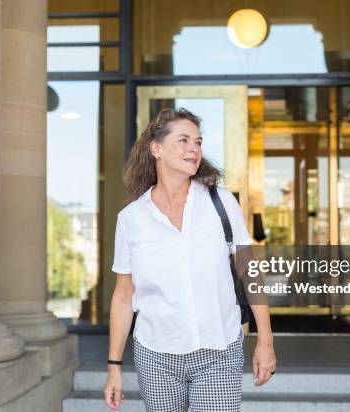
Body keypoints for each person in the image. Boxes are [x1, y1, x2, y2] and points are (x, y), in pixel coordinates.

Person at [103, 108, 276, 411]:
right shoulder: (131, 219)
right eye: (183, 140)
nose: (194, 148)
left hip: (219, 350)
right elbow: (124, 295)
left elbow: (251, 274)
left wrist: (266, 341)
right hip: (155, 355)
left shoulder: (221, 203)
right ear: (156, 148)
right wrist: (114, 366)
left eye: (198, 142)